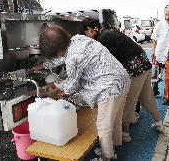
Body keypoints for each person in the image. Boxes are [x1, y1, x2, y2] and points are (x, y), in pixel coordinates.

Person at [38, 26, 130, 161]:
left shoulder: (73, 58)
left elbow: (72, 85)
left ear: (55, 49)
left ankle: (106, 157)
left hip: (109, 88)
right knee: (114, 119)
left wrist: (61, 92)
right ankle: (112, 150)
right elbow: (63, 58)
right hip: (122, 79)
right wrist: (45, 65)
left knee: (103, 126)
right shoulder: (78, 39)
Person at [81, 17, 163, 144]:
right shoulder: (108, 31)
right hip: (143, 62)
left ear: (90, 30)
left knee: (128, 100)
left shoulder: (103, 38)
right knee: (146, 95)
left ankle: (125, 134)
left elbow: (105, 63)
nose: (87, 37)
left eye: (86, 34)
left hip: (134, 67)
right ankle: (158, 122)